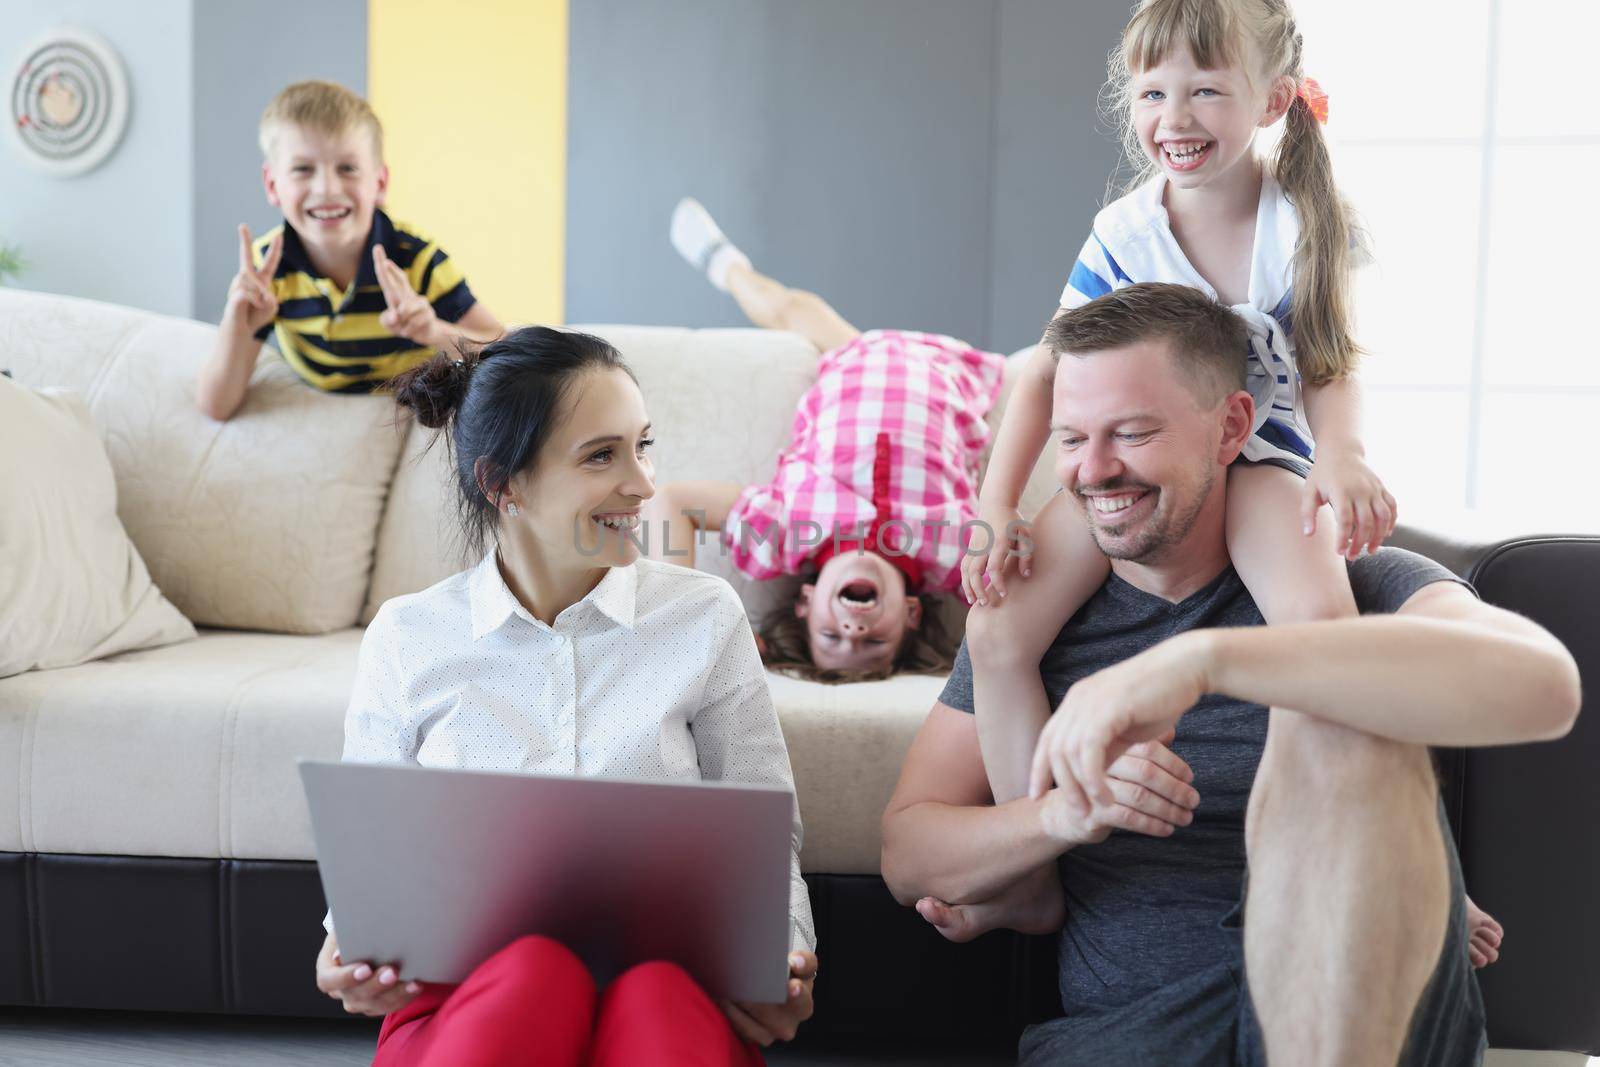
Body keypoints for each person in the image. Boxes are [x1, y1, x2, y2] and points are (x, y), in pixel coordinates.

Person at [879, 283, 1581, 1066]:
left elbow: (1546, 683)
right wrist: (1065, 813)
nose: (1094, 470)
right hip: (1147, 1035)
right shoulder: (1033, 622)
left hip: (1372, 1005)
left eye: (1134, 432)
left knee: (1337, 701)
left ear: (1232, 428)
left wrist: (1203, 665)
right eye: (1071, 439)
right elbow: (908, 852)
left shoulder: (1354, 581)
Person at [960, 0, 1504, 966]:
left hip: (1256, 458)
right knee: (997, 628)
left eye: (1208, 90)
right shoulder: (1126, 229)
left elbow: (1330, 360)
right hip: (1139, 464)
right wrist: (997, 507)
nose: (1177, 115)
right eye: (1154, 92)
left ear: (1275, 101)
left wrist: (1340, 457)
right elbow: (1043, 369)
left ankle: (1406, 866)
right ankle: (1029, 877)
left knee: (1326, 646)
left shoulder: (1299, 223)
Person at [311, 327, 817, 1066]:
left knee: (655, 994)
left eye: (643, 445)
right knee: (532, 973)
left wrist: (785, 957)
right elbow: (370, 862)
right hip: (465, 1002)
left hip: (671, 994)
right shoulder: (409, 635)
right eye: (601, 455)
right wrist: (344, 948)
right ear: (502, 483)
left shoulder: (704, 616)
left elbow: (770, 835)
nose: (644, 484)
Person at [651, 197, 993, 681]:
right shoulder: (956, 552)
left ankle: (724, 263)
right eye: (874, 641)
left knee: (785, 305)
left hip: (849, 354)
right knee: (1065, 357)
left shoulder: (787, 529)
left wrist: (699, 626)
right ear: (911, 614)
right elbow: (1026, 580)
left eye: (831, 636)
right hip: (947, 372)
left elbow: (673, 503)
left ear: (807, 604)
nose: (853, 628)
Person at [197, 80, 502, 421]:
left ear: (380, 183)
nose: (327, 189)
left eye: (348, 168)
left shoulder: (418, 262)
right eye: (303, 170)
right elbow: (216, 406)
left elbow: (504, 350)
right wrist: (237, 323)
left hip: (410, 412)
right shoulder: (266, 269)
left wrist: (433, 331)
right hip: (324, 414)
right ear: (272, 185)